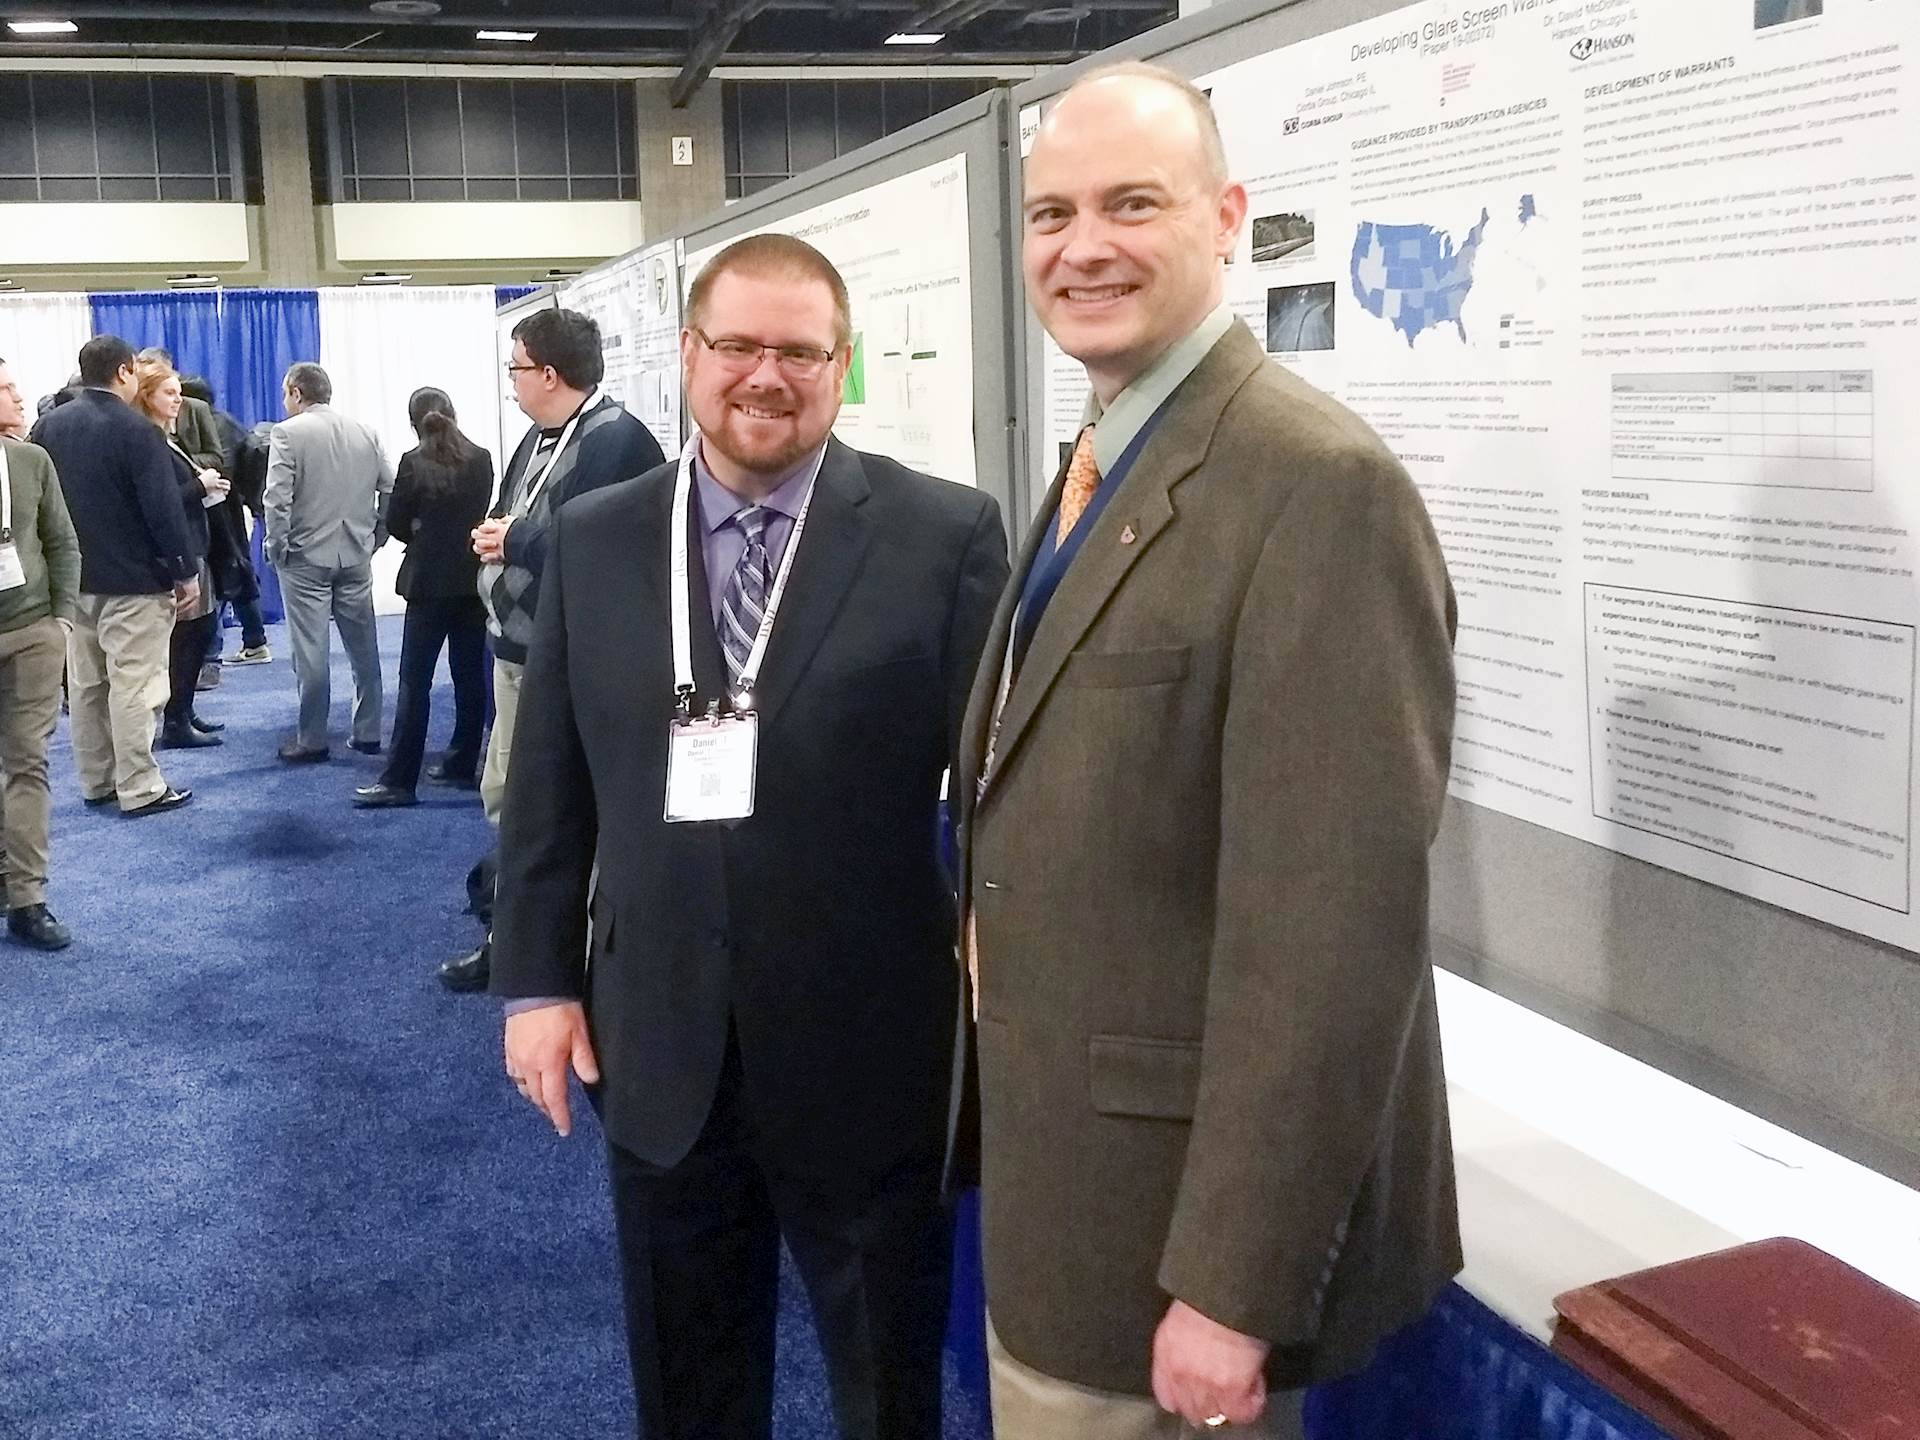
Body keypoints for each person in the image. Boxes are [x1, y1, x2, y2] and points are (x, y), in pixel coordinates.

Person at [957, 64, 1460, 1439]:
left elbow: (1332, 935)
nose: (1082, 246)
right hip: (1069, 1199)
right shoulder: (1109, 459)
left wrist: (1233, 1289)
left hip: (1165, 1253)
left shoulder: (1314, 487)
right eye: (1051, 213)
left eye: (1133, 203)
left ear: (1227, 216)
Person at [490, 233, 1009, 1440]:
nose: (765, 376)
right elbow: (551, 781)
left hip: (868, 1043)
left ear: (842, 365)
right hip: (658, 1034)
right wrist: (533, 985)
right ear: (688, 354)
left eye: (799, 351)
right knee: (689, 1380)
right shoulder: (604, 533)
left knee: (888, 1385)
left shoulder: (943, 536)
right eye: (736, 345)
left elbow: (999, 794)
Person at [437, 307, 664, 992]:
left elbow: (609, 544)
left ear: (549, 373)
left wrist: (515, 541)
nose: (511, 383)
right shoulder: (541, 436)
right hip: (516, 648)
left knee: (544, 806)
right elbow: (529, 512)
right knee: (509, 795)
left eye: (516, 368)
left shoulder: (617, 442)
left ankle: (546, 953)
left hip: (567, 658)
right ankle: (519, 936)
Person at [30, 335, 197, 817]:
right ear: (125, 371)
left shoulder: (48, 427)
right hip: (135, 583)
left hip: (73, 582)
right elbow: (161, 511)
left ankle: (97, 779)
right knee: (135, 686)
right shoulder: (138, 431)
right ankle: (140, 786)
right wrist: (184, 571)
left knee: (85, 686)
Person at [353, 388, 493, 809]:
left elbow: (395, 522)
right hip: (471, 582)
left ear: (413, 421)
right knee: (470, 677)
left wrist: (420, 528)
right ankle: (461, 763)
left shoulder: (413, 463)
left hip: (427, 585)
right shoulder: (481, 457)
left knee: (415, 683)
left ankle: (399, 780)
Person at [264, 362, 390, 763]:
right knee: (364, 648)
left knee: (310, 651)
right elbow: (390, 487)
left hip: (305, 557)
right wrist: (377, 535)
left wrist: (275, 545)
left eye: (286, 394)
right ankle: (368, 731)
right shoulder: (365, 432)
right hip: (355, 553)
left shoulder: (287, 433)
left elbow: (277, 498)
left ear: (297, 393)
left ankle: (313, 738)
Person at [0, 357, 80, 948]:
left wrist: (61, 619)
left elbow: (61, 540)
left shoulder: (31, 461)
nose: (19, 399)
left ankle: (28, 898)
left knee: (27, 762)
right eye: (6, 390)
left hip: (32, 631)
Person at [132, 358, 228, 751]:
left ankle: (183, 711)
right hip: (180, 550)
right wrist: (200, 487)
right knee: (187, 637)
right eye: (169, 393)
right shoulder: (150, 442)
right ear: (147, 396)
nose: (179, 400)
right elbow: (161, 502)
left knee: (199, 631)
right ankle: (175, 719)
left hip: (196, 543)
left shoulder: (166, 438)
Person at [178, 374, 271, 672]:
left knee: (213, 578)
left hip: (211, 509)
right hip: (235, 507)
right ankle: (255, 640)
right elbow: (253, 455)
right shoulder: (230, 422)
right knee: (239, 570)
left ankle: (209, 656)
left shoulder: (197, 430)